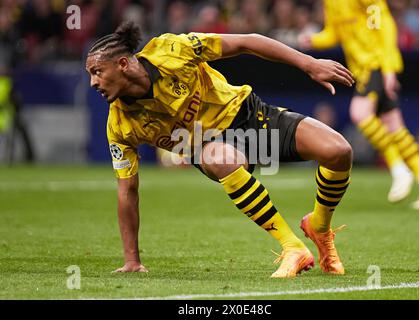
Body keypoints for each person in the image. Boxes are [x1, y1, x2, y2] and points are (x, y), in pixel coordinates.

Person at [85, 22, 355, 276]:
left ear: (122, 64)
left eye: (97, 72)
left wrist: (309, 64)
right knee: (220, 158)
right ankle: (292, 247)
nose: (93, 83)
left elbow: (247, 42)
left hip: (249, 115)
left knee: (339, 151)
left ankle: (319, 225)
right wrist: (132, 260)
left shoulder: (172, 50)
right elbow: (127, 191)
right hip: (209, 147)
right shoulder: (120, 125)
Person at [299, 0, 419, 210]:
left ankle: (398, 168)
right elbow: (334, 32)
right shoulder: (331, 3)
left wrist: (388, 69)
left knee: (359, 113)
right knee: (395, 127)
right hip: (362, 68)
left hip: (375, 63)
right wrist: (314, 40)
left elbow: (384, 26)